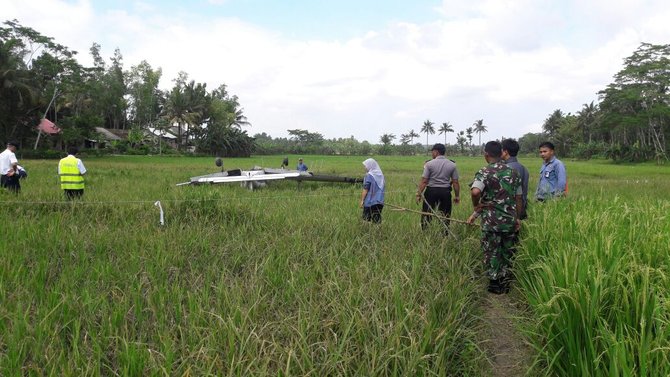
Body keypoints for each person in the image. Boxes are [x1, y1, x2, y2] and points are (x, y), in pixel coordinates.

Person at [467, 141, 523, 294]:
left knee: (491, 250)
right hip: (510, 220)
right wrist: (517, 218)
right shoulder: (514, 173)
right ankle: (505, 282)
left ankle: (494, 282)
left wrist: (476, 206)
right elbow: (519, 198)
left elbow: (475, 192)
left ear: (486, 154)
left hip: (491, 221)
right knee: (507, 251)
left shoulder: (484, 171)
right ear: (501, 153)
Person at [416, 143, 460, 233]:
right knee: (445, 215)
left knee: (427, 214)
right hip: (445, 192)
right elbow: (455, 182)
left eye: (432, 152)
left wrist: (418, 194)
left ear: (436, 152)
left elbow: (424, 181)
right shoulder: (452, 165)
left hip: (431, 192)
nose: (432, 154)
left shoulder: (429, 164)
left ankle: (425, 233)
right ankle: (444, 234)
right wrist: (457, 196)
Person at [501, 139, 529, 219]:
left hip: (508, 211)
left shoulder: (505, 169)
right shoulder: (524, 168)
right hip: (522, 209)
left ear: (505, 152)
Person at [360, 158, 385, 223]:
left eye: (365, 166)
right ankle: (378, 233)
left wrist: (362, 200)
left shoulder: (369, 175)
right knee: (376, 221)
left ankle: (367, 232)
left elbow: (366, 189)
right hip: (379, 202)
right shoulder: (381, 175)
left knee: (366, 221)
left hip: (369, 202)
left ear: (370, 165)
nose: (365, 167)